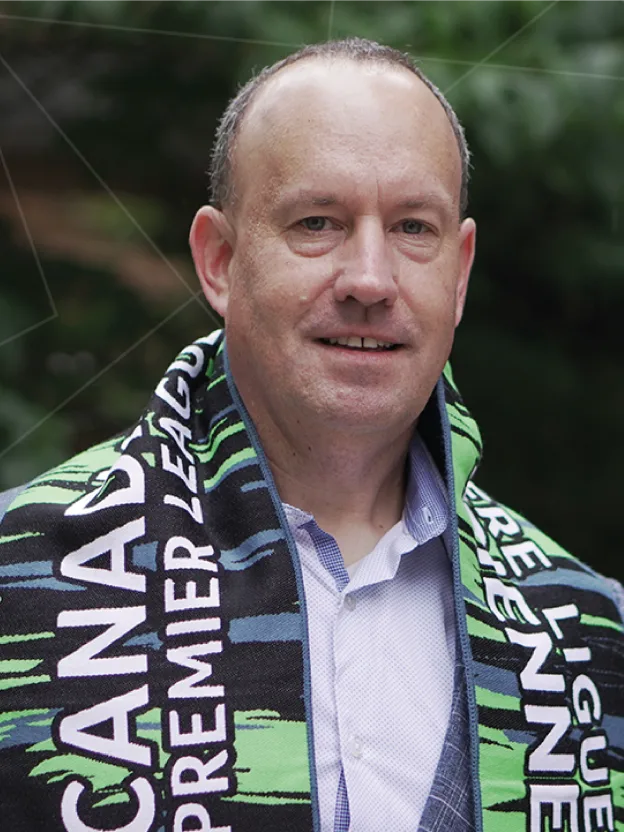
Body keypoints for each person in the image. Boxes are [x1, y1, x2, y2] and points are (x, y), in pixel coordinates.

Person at [0, 37, 622, 832]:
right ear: (219, 260)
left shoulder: (585, 631)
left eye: (413, 228)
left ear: (460, 272)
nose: (370, 280)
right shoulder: (25, 583)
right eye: (317, 222)